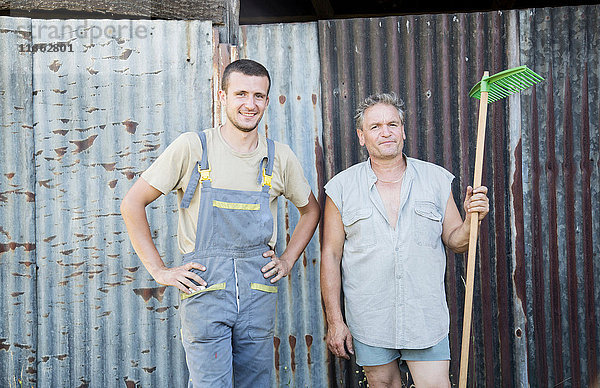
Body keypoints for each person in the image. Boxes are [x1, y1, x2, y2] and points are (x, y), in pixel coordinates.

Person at [120, 59, 320, 387]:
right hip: (205, 292)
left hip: (257, 293)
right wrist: (159, 271)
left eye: (258, 96)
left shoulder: (279, 156)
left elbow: (310, 210)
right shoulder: (194, 148)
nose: (249, 104)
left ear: (267, 101)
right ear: (222, 95)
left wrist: (286, 261)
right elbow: (132, 203)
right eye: (241, 93)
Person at [320, 92, 489, 388]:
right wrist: (336, 321)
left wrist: (472, 219)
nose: (385, 132)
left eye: (392, 124)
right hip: (370, 317)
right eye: (375, 127)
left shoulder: (436, 180)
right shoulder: (341, 188)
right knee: (383, 384)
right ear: (362, 137)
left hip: (424, 317)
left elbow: (457, 240)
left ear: (404, 131)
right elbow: (331, 256)